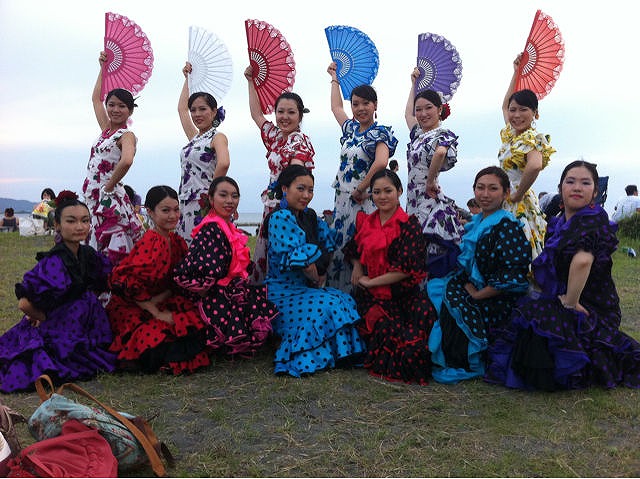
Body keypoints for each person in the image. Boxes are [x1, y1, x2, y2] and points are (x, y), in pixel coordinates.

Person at [486, 161, 640, 390]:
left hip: (590, 304)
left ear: (595, 192)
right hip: (572, 297)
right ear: (561, 188)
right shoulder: (560, 222)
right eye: (571, 181)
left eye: (585, 183)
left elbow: (583, 260)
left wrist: (570, 301)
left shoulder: (591, 219)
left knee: (535, 317)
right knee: (529, 316)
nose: (577, 187)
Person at [0, 191, 116, 392]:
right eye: (71, 221)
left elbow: (102, 282)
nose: (79, 227)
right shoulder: (53, 261)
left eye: (85, 221)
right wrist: (44, 317)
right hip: (61, 323)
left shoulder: (88, 254)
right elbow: (24, 303)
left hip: (87, 321)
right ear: (57, 226)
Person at [426, 166, 531, 383]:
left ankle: (461, 358)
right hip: (473, 287)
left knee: (451, 305)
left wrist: (477, 295)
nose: (485, 194)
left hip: (496, 297)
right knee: (435, 291)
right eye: (480, 188)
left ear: (505, 192)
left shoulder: (507, 226)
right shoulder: (476, 222)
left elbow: (513, 276)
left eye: (493, 189)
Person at [264, 165, 365, 377]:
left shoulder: (309, 216)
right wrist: (317, 280)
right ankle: (313, 353)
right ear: (285, 188)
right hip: (282, 293)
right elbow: (304, 262)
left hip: (304, 288)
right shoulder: (280, 217)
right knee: (327, 304)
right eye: (300, 189)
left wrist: (320, 278)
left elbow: (326, 247)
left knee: (342, 299)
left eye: (310, 190)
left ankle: (340, 354)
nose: (306, 195)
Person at [343, 169, 437, 384]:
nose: (382, 197)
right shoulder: (367, 221)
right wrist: (358, 267)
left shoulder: (409, 224)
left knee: (421, 318)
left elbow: (406, 269)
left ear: (400, 191)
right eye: (376, 192)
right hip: (372, 296)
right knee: (388, 330)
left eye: (388, 191)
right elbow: (353, 248)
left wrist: (370, 281)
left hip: (403, 293)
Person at [107, 186, 209, 375]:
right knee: (160, 333)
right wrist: (155, 312)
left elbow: (176, 280)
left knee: (192, 323)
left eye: (176, 209)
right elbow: (127, 283)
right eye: (165, 210)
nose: (173, 215)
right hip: (135, 306)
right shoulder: (152, 242)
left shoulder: (175, 240)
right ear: (150, 212)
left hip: (160, 299)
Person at [174, 177, 278, 357]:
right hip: (214, 294)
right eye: (223, 195)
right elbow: (206, 272)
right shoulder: (211, 228)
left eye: (234, 196)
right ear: (211, 199)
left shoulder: (225, 225)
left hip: (228, 288)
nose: (230, 201)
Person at [325, 62, 398, 292]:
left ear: (375, 105)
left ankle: (365, 301)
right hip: (342, 199)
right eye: (355, 104)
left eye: (365, 103)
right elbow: (336, 107)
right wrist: (334, 78)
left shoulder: (380, 132)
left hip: (365, 199)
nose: (360, 108)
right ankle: (340, 299)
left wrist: (361, 188)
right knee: (340, 248)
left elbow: (381, 162)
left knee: (363, 248)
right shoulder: (349, 130)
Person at [244, 65, 315, 284]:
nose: (284, 117)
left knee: (282, 258)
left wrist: (284, 207)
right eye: (280, 112)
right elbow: (256, 114)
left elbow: (295, 177)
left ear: (300, 115)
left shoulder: (300, 141)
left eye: (291, 112)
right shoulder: (275, 136)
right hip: (272, 205)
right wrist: (250, 81)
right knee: (266, 256)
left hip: (288, 207)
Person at [83, 51, 143, 265]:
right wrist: (103, 69)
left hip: (109, 195)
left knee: (110, 244)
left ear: (130, 111)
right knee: (93, 239)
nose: (115, 109)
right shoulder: (105, 130)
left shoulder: (126, 135)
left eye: (122, 106)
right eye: (112, 104)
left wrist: (108, 186)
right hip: (93, 194)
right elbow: (94, 99)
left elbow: (127, 160)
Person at [404, 68, 464, 278]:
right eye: (419, 109)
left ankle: (429, 297)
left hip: (428, 199)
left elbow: (440, 153)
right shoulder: (418, 134)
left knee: (426, 248)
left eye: (428, 108)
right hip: (412, 200)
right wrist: (413, 84)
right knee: (414, 248)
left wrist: (430, 181)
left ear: (440, 109)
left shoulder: (443, 133)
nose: (422, 114)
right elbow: (407, 114)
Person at [499, 53, 556, 260]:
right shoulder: (510, 134)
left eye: (523, 110)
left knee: (520, 244)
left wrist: (517, 193)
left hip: (518, 199)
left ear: (535, 113)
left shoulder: (532, 137)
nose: (516, 115)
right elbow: (505, 105)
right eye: (514, 110)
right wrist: (516, 73)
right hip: (504, 195)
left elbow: (534, 166)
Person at [176, 62, 230, 243]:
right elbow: (181, 110)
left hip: (204, 201)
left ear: (214, 112)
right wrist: (187, 80)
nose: (196, 114)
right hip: (185, 201)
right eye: (194, 110)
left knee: (203, 248)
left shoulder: (217, 137)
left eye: (203, 109)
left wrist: (211, 195)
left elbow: (224, 163)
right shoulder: (195, 137)